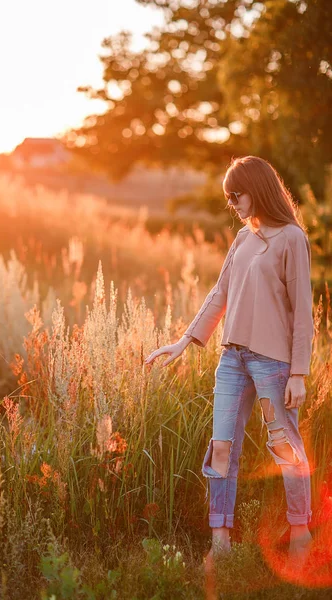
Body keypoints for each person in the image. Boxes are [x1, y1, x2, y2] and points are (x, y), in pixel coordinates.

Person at [144, 155, 314, 569]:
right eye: (228, 197)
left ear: (257, 187)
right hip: (232, 359)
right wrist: (183, 341)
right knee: (221, 447)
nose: (233, 202)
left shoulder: (292, 238)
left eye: (236, 194)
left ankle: (300, 532)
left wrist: (298, 373)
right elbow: (219, 294)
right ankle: (220, 543)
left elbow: (303, 311)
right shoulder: (242, 238)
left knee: (285, 448)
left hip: (273, 364)